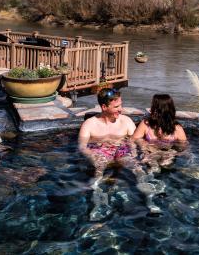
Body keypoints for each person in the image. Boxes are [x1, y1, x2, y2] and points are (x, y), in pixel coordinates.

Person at [78, 88, 136, 220]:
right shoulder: (90, 124)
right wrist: (92, 155)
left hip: (121, 150)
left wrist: (134, 152)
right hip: (100, 152)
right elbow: (82, 146)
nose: (121, 109)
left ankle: (151, 197)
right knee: (100, 167)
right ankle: (98, 205)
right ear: (104, 107)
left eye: (121, 105)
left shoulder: (126, 121)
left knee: (136, 166)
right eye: (116, 106)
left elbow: (135, 142)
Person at [131, 94, 187, 214]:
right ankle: (150, 199)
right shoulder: (146, 124)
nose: (150, 110)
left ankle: (163, 196)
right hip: (149, 154)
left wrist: (173, 152)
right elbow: (133, 140)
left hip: (167, 157)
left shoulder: (177, 129)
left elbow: (184, 148)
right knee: (148, 168)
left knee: (163, 164)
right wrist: (144, 146)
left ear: (163, 111)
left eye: (154, 108)